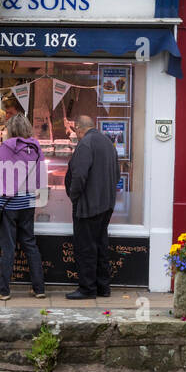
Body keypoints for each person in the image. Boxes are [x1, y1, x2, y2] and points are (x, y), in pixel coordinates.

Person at [0, 113, 46, 301]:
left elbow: (2, 181)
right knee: (30, 244)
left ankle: (3, 291)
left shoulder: (4, 148)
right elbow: (40, 177)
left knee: (8, 247)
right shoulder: (35, 147)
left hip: (9, 205)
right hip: (28, 202)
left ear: (10, 129)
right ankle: (39, 288)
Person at [64, 114, 120, 300]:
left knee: (86, 248)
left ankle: (87, 288)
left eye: (76, 132)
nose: (76, 135)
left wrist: (74, 197)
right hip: (106, 204)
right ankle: (103, 287)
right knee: (101, 246)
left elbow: (79, 175)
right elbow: (117, 174)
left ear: (79, 128)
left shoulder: (86, 144)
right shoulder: (107, 142)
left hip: (88, 206)